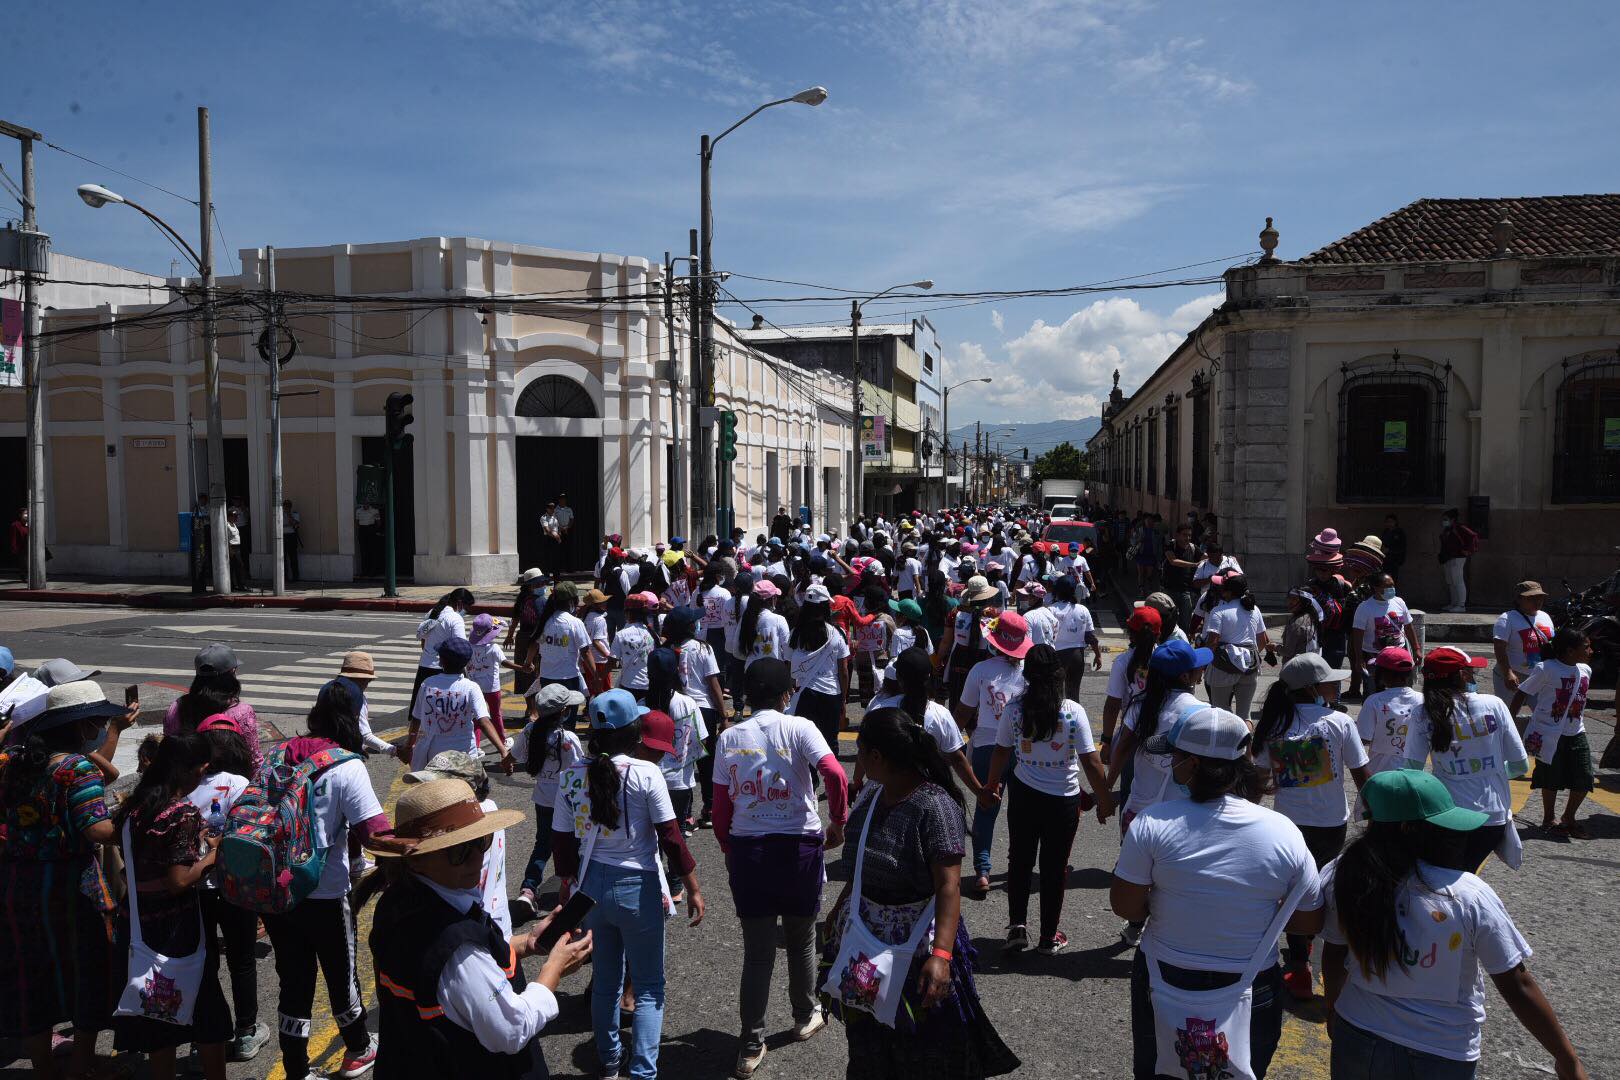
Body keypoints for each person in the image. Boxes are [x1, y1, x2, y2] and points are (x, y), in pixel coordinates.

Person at [1321, 770, 1589, 1080]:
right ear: (1410, 829)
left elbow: (1333, 952)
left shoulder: (1342, 873)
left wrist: (1333, 1008)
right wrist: (1566, 1058)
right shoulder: (1466, 894)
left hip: (1358, 1036)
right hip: (1441, 1051)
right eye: (1440, 825)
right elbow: (1517, 985)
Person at [1111, 706, 1324, 1080]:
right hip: (1250, 982)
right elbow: (1308, 919)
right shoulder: (1283, 831)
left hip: (1165, 975)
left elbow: (1125, 904)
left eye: (1175, 756)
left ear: (1192, 764)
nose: (1172, 762)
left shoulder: (1153, 823)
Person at [821, 708, 1020, 1080]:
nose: (857, 760)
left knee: (924, 1048)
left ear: (877, 757)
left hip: (919, 947)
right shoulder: (872, 797)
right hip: (866, 945)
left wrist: (942, 956)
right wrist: (840, 907)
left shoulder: (934, 806)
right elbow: (862, 864)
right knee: (868, 1043)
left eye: (860, 751)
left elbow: (948, 886)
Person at [366, 779, 593, 1078]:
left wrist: (526, 943)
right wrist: (554, 970)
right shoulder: (459, 949)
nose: (477, 856)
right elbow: (511, 1030)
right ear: (418, 860)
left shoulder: (397, 902)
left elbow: (444, 982)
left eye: (480, 841)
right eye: (458, 850)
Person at [551, 689, 705, 1080]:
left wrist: (568, 886)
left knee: (605, 981)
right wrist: (694, 887)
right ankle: (643, 1071)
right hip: (638, 888)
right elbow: (671, 837)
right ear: (635, 732)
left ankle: (609, 1064)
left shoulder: (571, 777)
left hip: (591, 891)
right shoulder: (646, 773)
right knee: (650, 986)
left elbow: (562, 847)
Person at [712, 659, 847, 1077]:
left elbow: (720, 806)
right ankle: (804, 1014)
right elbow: (836, 775)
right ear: (786, 693)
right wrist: (838, 822)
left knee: (757, 954)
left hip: (749, 848)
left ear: (748, 696)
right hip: (799, 847)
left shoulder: (729, 737)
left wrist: (729, 847)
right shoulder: (800, 727)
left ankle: (751, 1043)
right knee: (802, 937)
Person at [260, 681, 391, 1080]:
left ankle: (296, 1070)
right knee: (341, 973)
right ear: (355, 717)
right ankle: (356, 1049)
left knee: (293, 979)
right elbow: (377, 835)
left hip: (277, 889)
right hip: (325, 890)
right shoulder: (347, 765)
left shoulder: (275, 754)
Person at [0, 682, 128, 1079]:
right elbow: (98, 831)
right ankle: (80, 1066)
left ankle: (42, 1069)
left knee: (31, 977)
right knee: (88, 974)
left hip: (18, 884)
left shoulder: (12, 761)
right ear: (82, 724)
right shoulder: (75, 768)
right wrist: (132, 813)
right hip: (72, 887)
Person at [110, 732, 232, 1080]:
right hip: (174, 927)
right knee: (206, 1009)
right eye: (202, 769)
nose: (203, 776)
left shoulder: (134, 806)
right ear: (188, 769)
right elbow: (178, 881)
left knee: (155, 1015)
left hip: (136, 922)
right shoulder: (181, 813)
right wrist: (212, 854)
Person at [1252, 654, 1370, 1000]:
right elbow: (1362, 774)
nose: (1338, 686)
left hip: (1287, 824)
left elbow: (1259, 779)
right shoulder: (1339, 723)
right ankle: (1331, 953)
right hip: (1331, 823)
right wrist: (1376, 813)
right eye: (1332, 682)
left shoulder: (1274, 725)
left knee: (1294, 890)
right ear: (1313, 688)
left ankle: (1299, 962)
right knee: (1323, 887)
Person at [986, 644, 1113, 955]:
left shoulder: (1015, 710)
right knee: (1054, 869)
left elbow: (1001, 750)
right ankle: (1047, 937)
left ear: (1027, 676)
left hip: (1024, 795)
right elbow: (1091, 762)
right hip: (1063, 801)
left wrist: (991, 785)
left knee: (1019, 861)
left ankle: (1017, 927)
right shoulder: (1072, 711)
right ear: (1060, 674)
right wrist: (1105, 799)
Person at [1402, 647, 1529, 872]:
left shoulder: (1422, 713)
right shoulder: (1494, 704)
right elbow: (1520, 765)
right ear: (1461, 675)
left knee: (1442, 876)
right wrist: (1493, 771)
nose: (1472, 675)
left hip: (1448, 815)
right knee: (1467, 875)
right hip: (1493, 817)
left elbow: (1412, 770)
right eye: (1470, 670)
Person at [190, 714, 269, 1061]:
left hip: (194, 886)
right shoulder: (240, 783)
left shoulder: (185, 784)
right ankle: (246, 1032)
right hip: (235, 886)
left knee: (204, 963)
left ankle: (204, 1037)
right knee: (242, 960)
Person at [955, 610, 1031, 897]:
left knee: (986, 806)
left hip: (987, 746)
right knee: (1021, 813)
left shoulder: (981, 670)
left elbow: (963, 712)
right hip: (1022, 749)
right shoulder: (1028, 672)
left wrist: (949, 741)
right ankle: (1016, 868)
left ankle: (982, 870)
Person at [508, 683, 586, 923]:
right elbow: (580, 769)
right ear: (564, 712)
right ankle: (572, 886)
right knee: (573, 844)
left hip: (542, 798)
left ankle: (528, 890)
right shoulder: (568, 738)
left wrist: (506, 759)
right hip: (568, 801)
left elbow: (513, 756)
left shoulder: (530, 730)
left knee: (543, 843)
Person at [1512, 628, 1596, 837]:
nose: (1591, 651)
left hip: (1576, 731)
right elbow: (1523, 692)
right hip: (1547, 732)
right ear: (1569, 651)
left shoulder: (1585, 670)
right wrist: (1510, 721)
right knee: (1549, 776)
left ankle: (1569, 817)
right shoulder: (1546, 668)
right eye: (1586, 647)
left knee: (1584, 776)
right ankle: (1549, 817)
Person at [404, 638, 512, 774]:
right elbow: (484, 722)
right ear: (467, 662)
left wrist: (409, 746)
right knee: (468, 793)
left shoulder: (427, 684)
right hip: (464, 756)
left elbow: (416, 719)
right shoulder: (471, 687)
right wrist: (503, 751)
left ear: (441, 660)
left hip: (434, 755)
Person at [165, 643, 264, 774]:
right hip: (230, 788)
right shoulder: (241, 712)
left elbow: (170, 751)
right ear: (232, 672)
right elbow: (253, 760)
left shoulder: (177, 707)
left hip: (187, 784)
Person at [644, 647, 707, 849]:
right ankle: (676, 878)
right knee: (676, 831)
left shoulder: (641, 706)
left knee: (651, 832)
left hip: (648, 779)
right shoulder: (688, 703)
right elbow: (701, 739)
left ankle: (657, 876)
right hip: (679, 780)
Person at [1201, 573, 1276, 721]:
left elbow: (1212, 643)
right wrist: (1247, 658)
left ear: (1228, 592)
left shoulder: (1218, 612)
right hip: (1249, 666)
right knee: (1244, 715)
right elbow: (1262, 640)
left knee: (1221, 713)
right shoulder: (1255, 609)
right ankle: (1247, 743)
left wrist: (1203, 665)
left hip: (1222, 668)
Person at [787, 584, 852, 749]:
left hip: (804, 693)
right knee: (830, 742)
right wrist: (843, 700)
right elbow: (843, 671)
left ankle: (811, 775)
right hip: (831, 693)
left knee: (803, 744)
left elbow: (787, 664)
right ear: (825, 607)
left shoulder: (795, 634)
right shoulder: (837, 634)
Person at [1349, 573, 1421, 699]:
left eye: (1392, 585)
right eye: (1387, 586)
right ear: (1376, 588)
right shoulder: (1365, 607)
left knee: (1401, 691)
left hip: (1399, 654)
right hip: (1373, 656)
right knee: (1373, 692)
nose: (1391, 589)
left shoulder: (1399, 602)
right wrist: (1359, 659)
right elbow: (1357, 634)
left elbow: (1408, 627)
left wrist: (1416, 649)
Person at [1357, 647, 1422, 778]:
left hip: (1379, 776)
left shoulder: (1374, 701)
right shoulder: (1422, 700)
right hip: (1413, 778)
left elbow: (1363, 739)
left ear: (1383, 675)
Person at [1492, 581, 1554, 714]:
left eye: (1540, 597)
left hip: (1539, 676)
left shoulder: (1545, 617)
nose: (1537, 601)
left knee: (1543, 713)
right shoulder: (1507, 619)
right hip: (1514, 675)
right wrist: (1507, 673)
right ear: (1519, 599)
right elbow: (1499, 647)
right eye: (1531, 598)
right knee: (1506, 714)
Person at [467, 613, 522, 753]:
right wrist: (521, 668)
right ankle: (502, 741)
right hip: (492, 688)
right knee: (496, 714)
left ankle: (476, 746)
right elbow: (505, 663)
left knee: (476, 716)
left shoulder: (469, 646)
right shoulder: (493, 648)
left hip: (475, 686)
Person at [413, 588, 475, 712]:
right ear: (460, 603)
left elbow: (423, 642)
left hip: (425, 666)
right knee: (443, 711)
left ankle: (415, 732)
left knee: (422, 711)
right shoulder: (455, 619)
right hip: (446, 669)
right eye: (467, 607)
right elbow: (460, 648)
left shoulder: (433, 613)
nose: (466, 611)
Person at [534, 581, 598, 694]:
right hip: (568, 679)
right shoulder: (575, 623)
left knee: (550, 711)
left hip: (546, 678)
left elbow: (535, 644)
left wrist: (529, 662)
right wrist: (596, 675)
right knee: (569, 711)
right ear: (572, 601)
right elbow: (586, 652)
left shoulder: (544, 621)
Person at [1046, 576, 1102, 700]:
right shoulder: (1083, 609)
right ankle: (1074, 718)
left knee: (1056, 695)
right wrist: (1098, 655)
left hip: (1058, 655)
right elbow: (1091, 637)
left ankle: (1056, 718)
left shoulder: (1051, 610)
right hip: (1077, 656)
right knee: (1074, 694)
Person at [507, 567, 547, 697]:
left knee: (525, 673)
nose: (543, 586)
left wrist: (510, 636)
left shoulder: (522, 600)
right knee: (535, 672)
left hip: (522, 639)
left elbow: (515, 619)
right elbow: (543, 623)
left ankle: (530, 708)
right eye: (539, 584)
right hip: (535, 640)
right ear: (530, 586)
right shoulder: (541, 601)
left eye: (543, 583)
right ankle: (533, 709)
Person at [611, 592, 659, 700]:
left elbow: (612, 662)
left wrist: (600, 679)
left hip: (628, 685)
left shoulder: (621, 634)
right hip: (648, 685)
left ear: (627, 613)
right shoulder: (652, 633)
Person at [1438, 509, 1477, 613]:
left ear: (1452, 519)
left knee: (1458, 580)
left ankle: (1461, 605)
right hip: (1448, 558)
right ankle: (1454, 603)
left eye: (1446, 519)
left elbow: (1473, 536)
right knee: (1451, 581)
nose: (1444, 521)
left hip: (1458, 557)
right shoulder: (1447, 530)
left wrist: (1468, 551)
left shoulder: (1459, 528)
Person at [1378, 513, 1407, 582]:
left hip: (1394, 560)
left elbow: (1402, 547)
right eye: (1387, 522)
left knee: (1393, 579)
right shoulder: (1385, 532)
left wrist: (1390, 550)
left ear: (1395, 522)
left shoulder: (1399, 532)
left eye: (1391, 522)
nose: (1389, 524)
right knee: (1384, 579)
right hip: (1385, 560)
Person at [282, 499, 302, 583]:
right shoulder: (280, 514)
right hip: (283, 536)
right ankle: (285, 577)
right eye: (285, 506)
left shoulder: (295, 514)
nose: (286, 507)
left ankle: (295, 577)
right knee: (283, 559)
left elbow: (295, 523)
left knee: (293, 557)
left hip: (291, 536)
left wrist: (289, 515)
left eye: (288, 506)